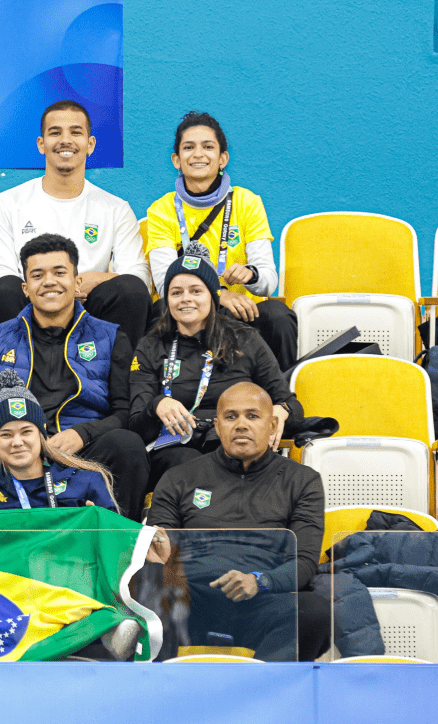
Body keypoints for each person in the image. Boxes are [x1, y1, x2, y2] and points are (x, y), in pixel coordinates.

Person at [0, 234, 148, 517]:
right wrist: (21, 436)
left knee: (127, 444)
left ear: (77, 283)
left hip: (83, 447)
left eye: (59, 272)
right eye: (37, 275)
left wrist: (82, 434)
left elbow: (124, 411)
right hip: (17, 444)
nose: (49, 281)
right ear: (26, 288)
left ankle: (122, 541)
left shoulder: (111, 335)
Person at [147, 382, 329, 661]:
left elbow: (304, 561)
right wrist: (156, 553)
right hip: (192, 599)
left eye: (252, 416)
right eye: (231, 417)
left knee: (314, 611)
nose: (241, 424)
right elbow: (162, 547)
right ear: (218, 426)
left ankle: (264, 695)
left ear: (272, 426)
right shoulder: (179, 477)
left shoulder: (303, 481)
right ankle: (163, 690)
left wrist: (261, 581)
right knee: (149, 585)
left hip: (261, 600)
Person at [129, 242, 304, 488]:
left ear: (213, 296)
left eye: (196, 291)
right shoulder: (151, 346)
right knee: (186, 461)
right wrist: (157, 405)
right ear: (167, 299)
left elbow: (290, 404)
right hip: (175, 449)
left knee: (235, 454)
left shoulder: (245, 339)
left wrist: (281, 409)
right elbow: (136, 425)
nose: (185, 299)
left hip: (230, 442)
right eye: (176, 292)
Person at [0, 100, 152, 344]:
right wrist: (48, 287)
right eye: (55, 132)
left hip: (90, 308)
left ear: (90, 144)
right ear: (41, 144)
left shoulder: (116, 208)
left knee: (131, 291)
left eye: (75, 132)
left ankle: (117, 377)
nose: (65, 140)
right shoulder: (8, 202)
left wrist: (85, 282)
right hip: (30, 305)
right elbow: (0, 273)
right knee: (5, 290)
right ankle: (12, 377)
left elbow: (138, 277)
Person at [144, 111, 297, 369]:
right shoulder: (162, 210)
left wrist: (251, 274)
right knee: (160, 311)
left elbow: (268, 281)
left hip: (241, 310)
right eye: (188, 147)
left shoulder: (247, 202)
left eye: (208, 147)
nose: (198, 154)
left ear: (222, 158)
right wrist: (217, 295)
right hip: (191, 310)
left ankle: (281, 400)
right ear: (176, 160)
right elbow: (163, 283)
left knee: (279, 316)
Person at [0, 370, 117, 511]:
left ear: (42, 436)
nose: (17, 442)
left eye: (26, 432)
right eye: (6, 435)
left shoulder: (87, 483)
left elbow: (116, 535)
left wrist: (97, 526)